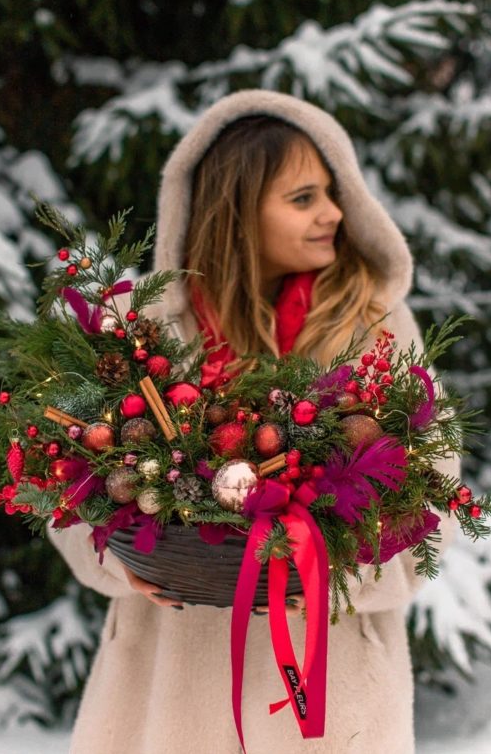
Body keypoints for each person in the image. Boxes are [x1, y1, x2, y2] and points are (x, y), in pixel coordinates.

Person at [49, 89, 460, 754]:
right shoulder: (149, 333)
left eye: (332, 192)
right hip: (170, 682)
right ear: (237, 212)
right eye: (303, 198)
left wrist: (346, 579)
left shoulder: (374, 331)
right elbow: (66, 482)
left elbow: (434, 494)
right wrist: (116, 565)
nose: (333, 214)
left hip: (327, 685)